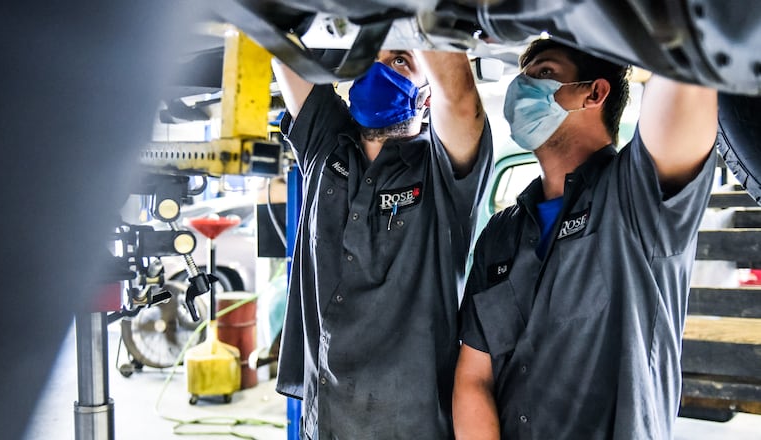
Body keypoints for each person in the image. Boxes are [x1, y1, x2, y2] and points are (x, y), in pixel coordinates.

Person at [454, 38, 717, 439]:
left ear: (594, 93)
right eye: (522, 77)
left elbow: (684, 72)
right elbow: (474, 377)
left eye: (544, 73)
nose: (521, 89)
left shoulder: (636, 195)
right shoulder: (502, 234)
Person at [272, 49, 493, 439]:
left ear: (426, 95)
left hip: (409, 428)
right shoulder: (326, 146)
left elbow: (459, 101)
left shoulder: (443, 170)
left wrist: (413, 19)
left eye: (400, 60)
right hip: (323, 424)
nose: (378, 69)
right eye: (370, 59)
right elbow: (285, 56)